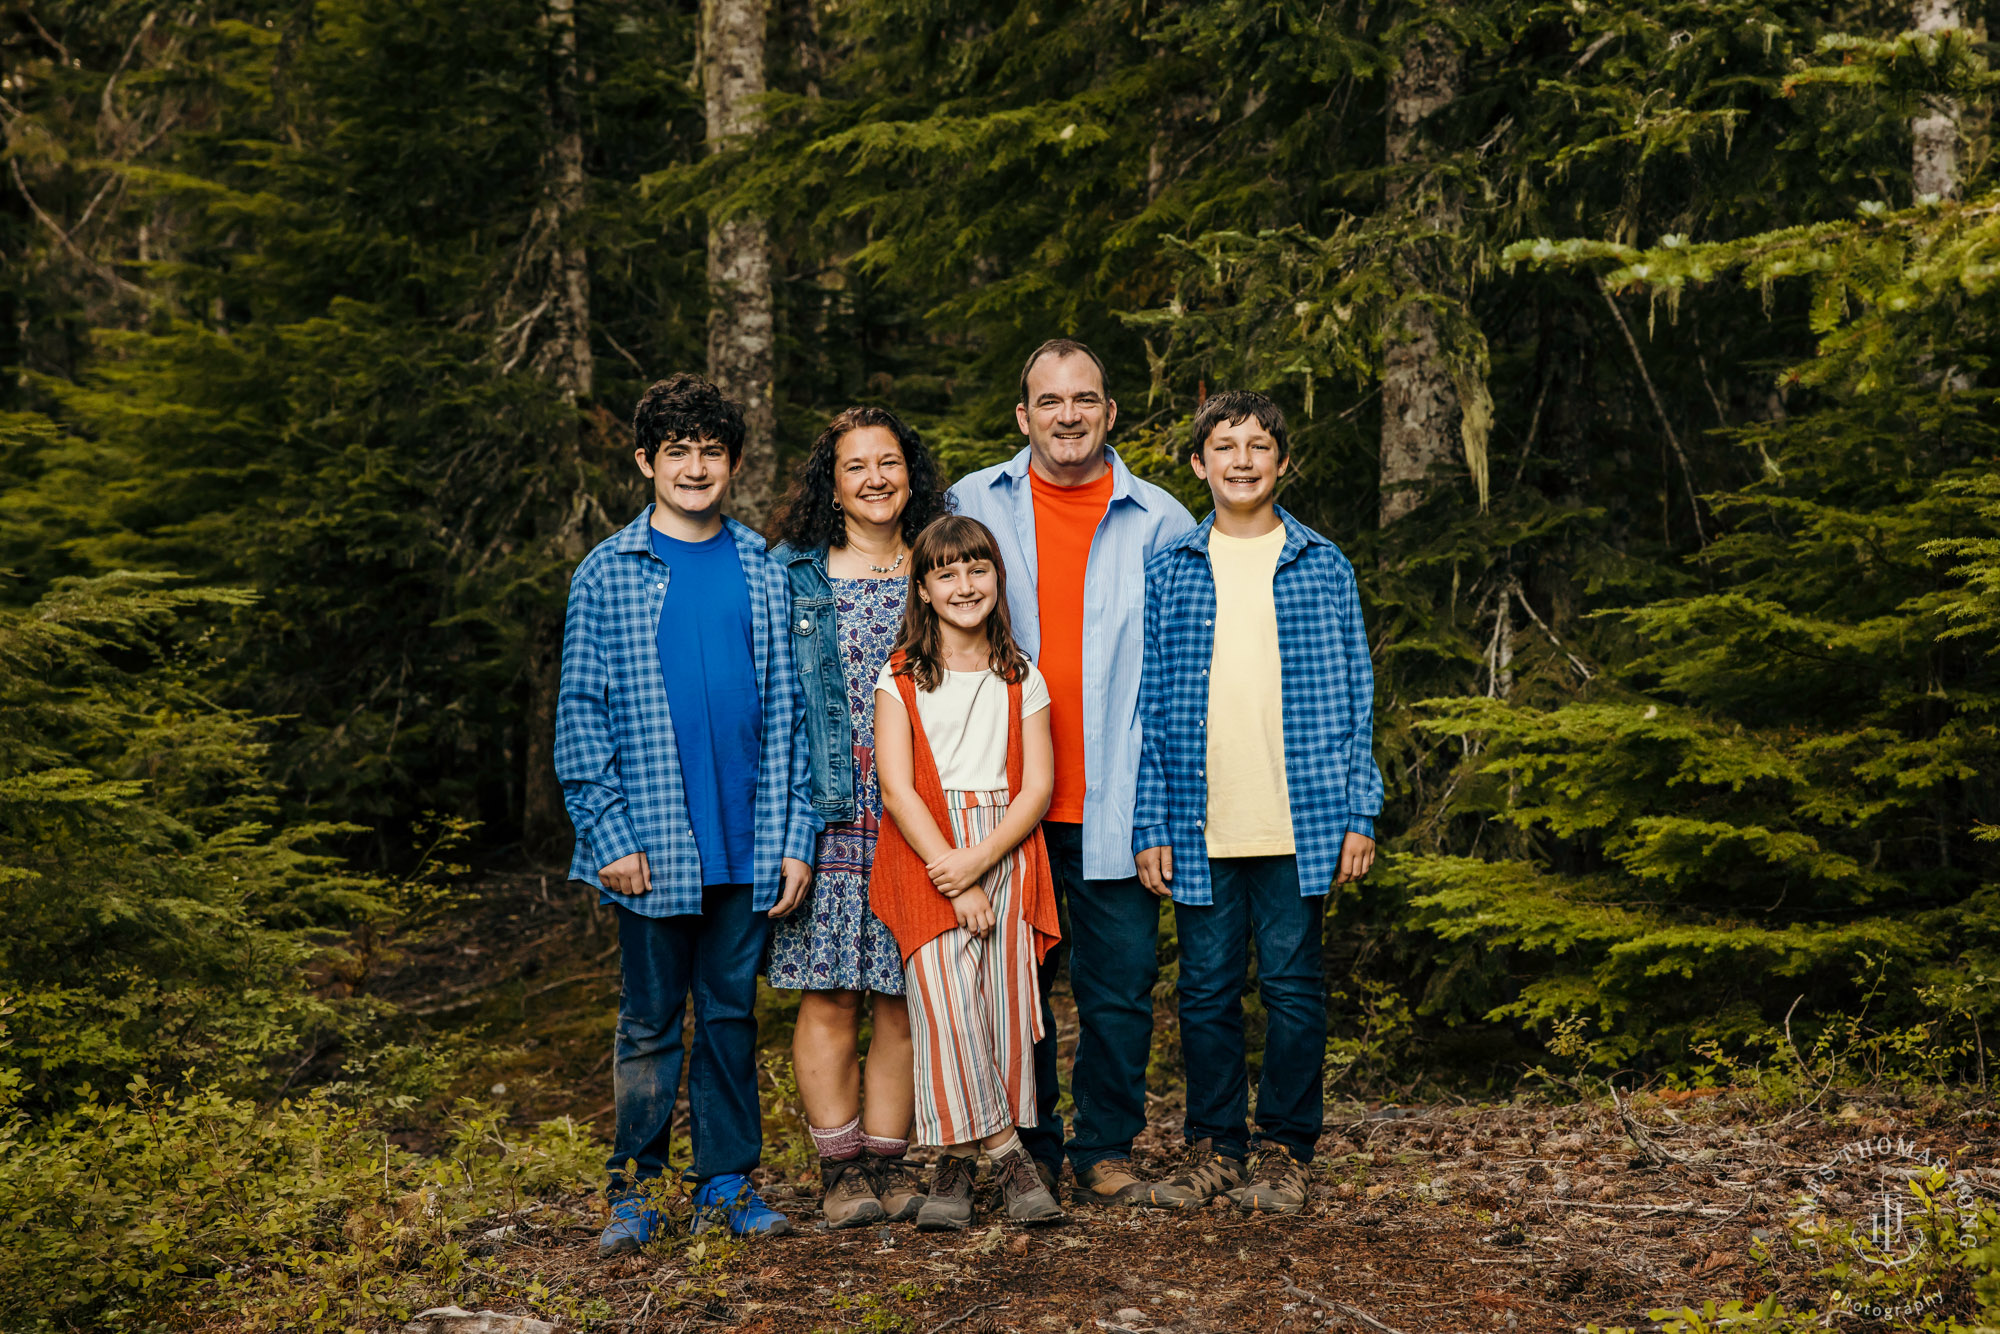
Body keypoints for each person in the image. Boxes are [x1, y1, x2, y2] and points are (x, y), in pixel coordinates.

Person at [555, 373, 821, 1256]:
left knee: (732, 1015)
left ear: (734, 463)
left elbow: (786, 714)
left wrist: (793, 841)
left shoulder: (762, 567)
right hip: (650, 849)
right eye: (678, 452)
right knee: (648, 1021)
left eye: (711, 450)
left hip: (746, 846)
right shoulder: (608, 573)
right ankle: (635, 1189)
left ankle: (726, 1182)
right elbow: (581, 717)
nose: (696, 466)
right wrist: (609, 838)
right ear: (646, 462)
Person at [948, 339, 1194, 1203]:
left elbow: (1177, 672)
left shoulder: (1161, 519)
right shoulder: (971, 500)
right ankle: (1029, 1150)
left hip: (1114, 799)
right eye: (1049, 401)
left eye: (1084, 399)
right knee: (1015, 990)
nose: (1067, 415)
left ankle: (1107, 1149)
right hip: (1004, 800)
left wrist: (1166, 807)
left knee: (1122, 987)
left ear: (1109, 412)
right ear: (1023, 416)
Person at [1133, 389, 1383, 1215]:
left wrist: (1359, 812)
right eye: (1225, 446)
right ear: (1200, 464)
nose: (1242, 460)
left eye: (1259, 446)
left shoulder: (1323, 563)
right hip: (1202, 821)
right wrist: (1151, 822)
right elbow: (1151, 703)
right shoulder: (1171, 569)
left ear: (1283, 462)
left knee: (1291, 985)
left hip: (1300, 819)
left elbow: (1355, 695)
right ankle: (1214, 1145)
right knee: (1204, 990)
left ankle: (1283, 1147)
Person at [766, 406, 953, 1229]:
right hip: (833, 815)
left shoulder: (943, 564)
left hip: (923, 815)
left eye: (889, 462)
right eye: (856, 466)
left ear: (910, 473)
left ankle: (890, 1165)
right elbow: (774, 708)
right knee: (831, 997)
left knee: (903, 998)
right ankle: (839, 1172)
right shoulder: (794, 575)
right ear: (832, 485)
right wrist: (785, 830)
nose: (876, 478)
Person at [867, 515, 1066, 1231]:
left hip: (1007, 845)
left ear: (996, 579)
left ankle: (952, 1163)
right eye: (945, 573)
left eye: (976, 569)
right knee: (945, 999)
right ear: (922, 588)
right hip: (926, 848)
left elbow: (1038, 787)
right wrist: (953, 870)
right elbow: (897, 788)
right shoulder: (900, 678)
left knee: (1002, 1011)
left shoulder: (1022, 676)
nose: (963, 585)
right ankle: (1012, 1158)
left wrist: (983, 861)